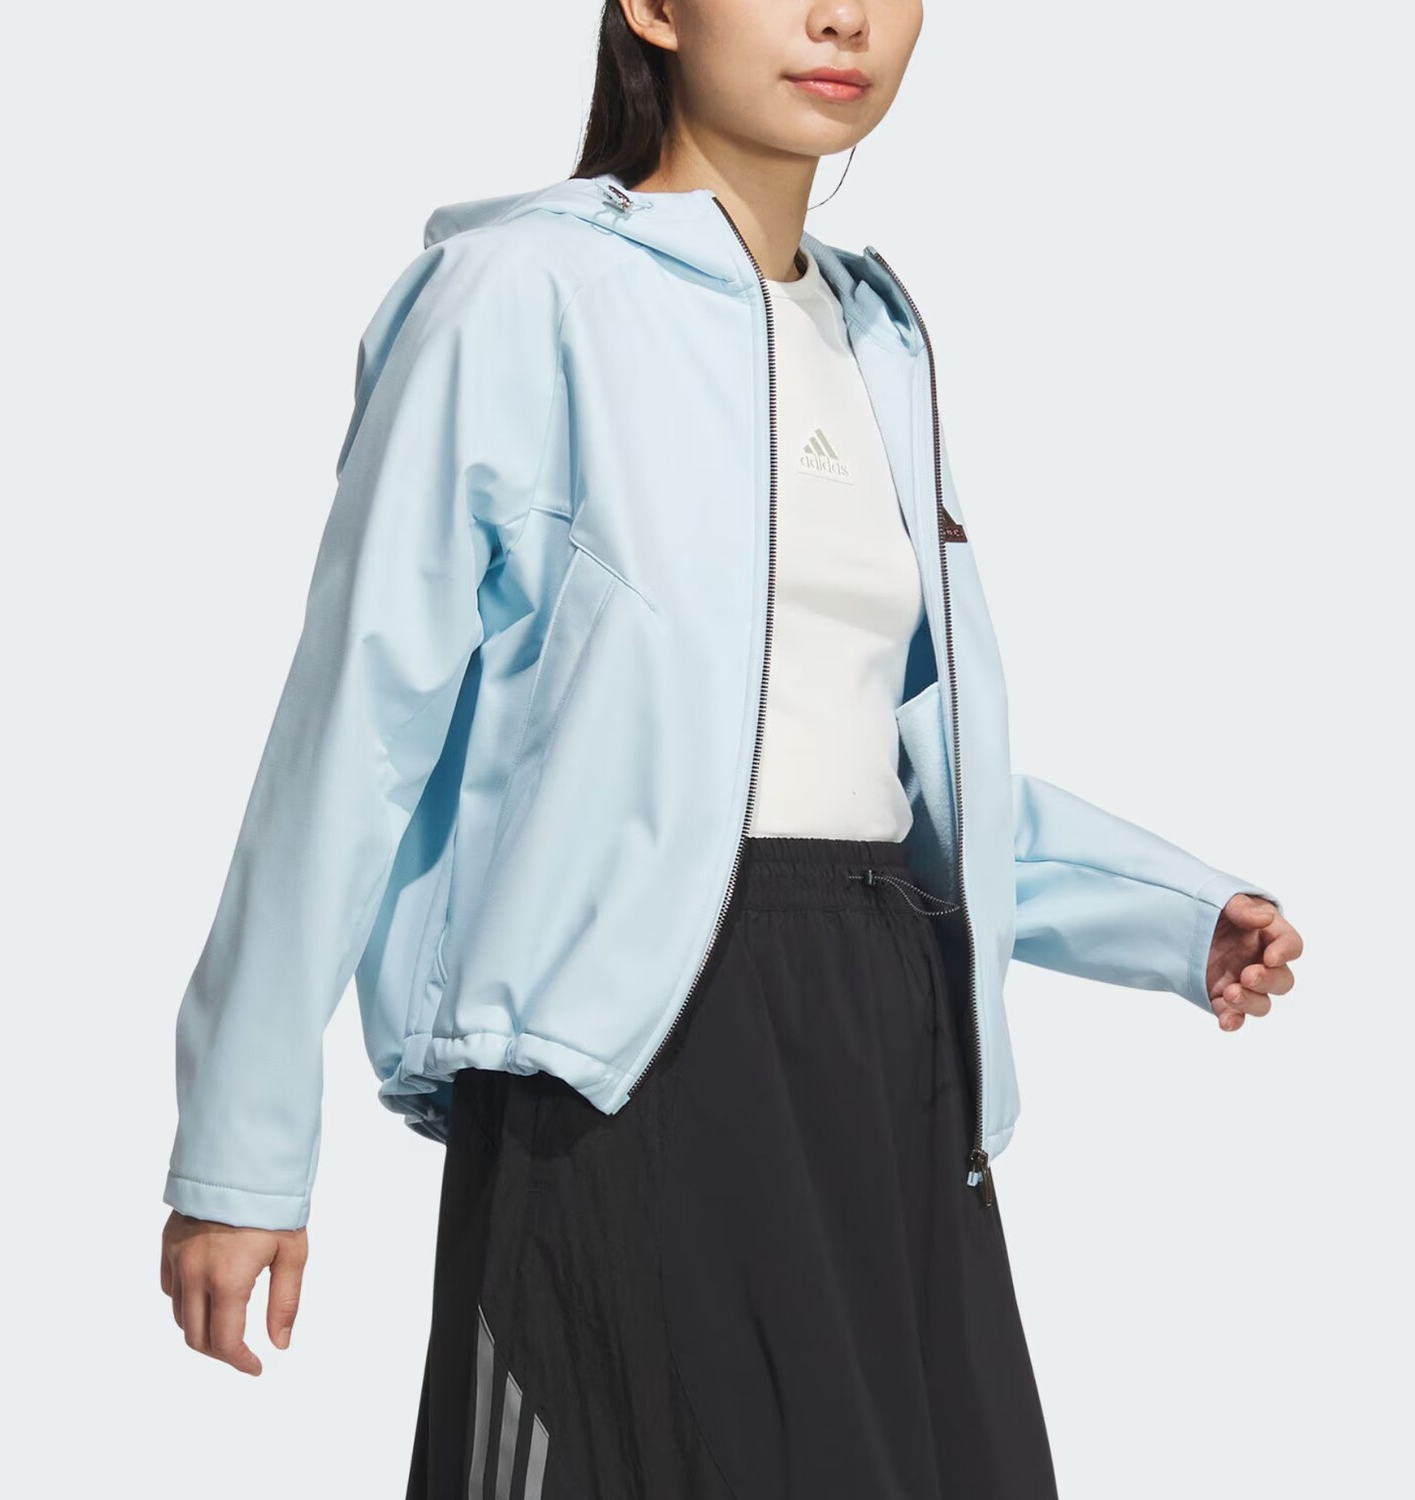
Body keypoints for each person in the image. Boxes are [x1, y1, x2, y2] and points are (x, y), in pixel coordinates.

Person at [159, 3, 1304, 1496]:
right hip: (627, 1064)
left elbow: (891, 766)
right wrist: (241, 1150)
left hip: (886, 1043)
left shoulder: (874, 331)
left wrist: (1169, 912)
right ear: (652, 6)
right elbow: (351, 733)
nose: (843, 18)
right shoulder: (521, 296)